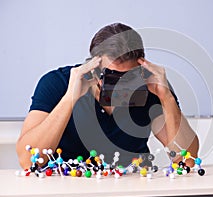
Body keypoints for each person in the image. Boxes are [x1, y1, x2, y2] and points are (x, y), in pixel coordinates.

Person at [16, 23, 199, 168]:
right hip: (66, 187)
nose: (122, 87)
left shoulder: (153, 88)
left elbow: (187, 160)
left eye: (130, 78)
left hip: (131, 187)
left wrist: (166, 98)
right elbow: (28, 160)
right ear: (94, 70)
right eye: (113, 77)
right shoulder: (57, 83)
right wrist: (69, 99)